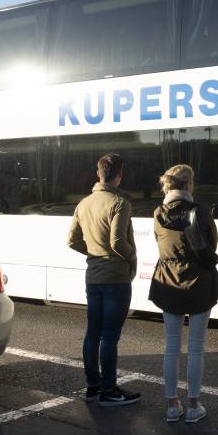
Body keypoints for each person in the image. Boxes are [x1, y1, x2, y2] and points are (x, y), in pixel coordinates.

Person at [149, 164, 218, 424]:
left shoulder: (158, 213)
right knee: (196, 347)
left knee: (171, 347)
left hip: (168, 283)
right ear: (189, 185)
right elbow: (211, 244)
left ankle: (171, 406)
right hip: (200, 283)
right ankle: (193, 405)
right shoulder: (200, 212)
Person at [68, 153, 141, 407]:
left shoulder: (84, 203)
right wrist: (132, 258)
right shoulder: (120, 202)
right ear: (119, 175)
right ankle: (110, 390)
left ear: (98, 173)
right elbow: (118, 242)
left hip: (93, 276)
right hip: (115, 276)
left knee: (93, 333)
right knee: (110, 336)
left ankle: (94, 386)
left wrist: (93, 252)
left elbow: (72, 241)